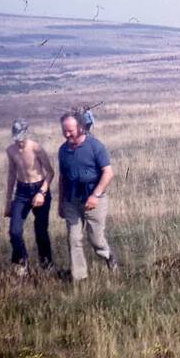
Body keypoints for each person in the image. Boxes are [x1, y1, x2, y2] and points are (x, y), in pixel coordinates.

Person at [58, 110, 117, 281]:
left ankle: (109, 256)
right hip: (71, 200)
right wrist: (61, 203)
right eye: (64, 131)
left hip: (94, 199)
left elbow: (108, 173)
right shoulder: (63, 150)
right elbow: (62, 177)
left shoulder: (95, 146)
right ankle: (79, 277)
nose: (67, 134)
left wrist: (95, 195)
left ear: (81, 128)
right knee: (73, 238)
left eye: (70, 130)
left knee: (96, 239)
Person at [5, 119, 55, 273]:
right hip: (22, 191)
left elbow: (50, 172)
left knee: (40, 231)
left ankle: (47, 265)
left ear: (27, 133)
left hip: (39, 188)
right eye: (16, 138)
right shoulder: (10, 150)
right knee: (15, 231)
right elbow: (12, 173)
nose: (19, 142)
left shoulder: (36, 148)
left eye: (22, 137)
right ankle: (22, 263)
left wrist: (42, 192)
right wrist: (8, 201)